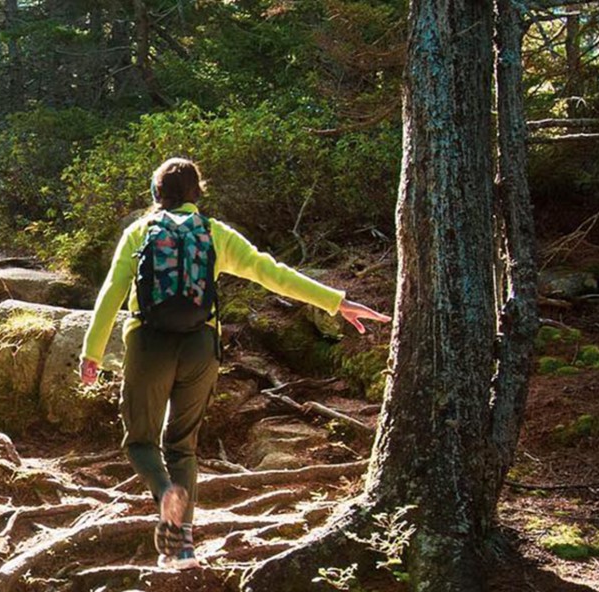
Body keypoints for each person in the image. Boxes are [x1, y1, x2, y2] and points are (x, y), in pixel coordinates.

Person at [78, 157, 390, 568]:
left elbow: (110, 296)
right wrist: (335, 301)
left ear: (156, 195)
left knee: (140, 441)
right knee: (182, 445)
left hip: (148, 345)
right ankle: (183, 548)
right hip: (201, 348)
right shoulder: (215, 234)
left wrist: (91, 353)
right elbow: (272, 273)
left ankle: (164, 492)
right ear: (197, 194)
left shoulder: (139, 232)